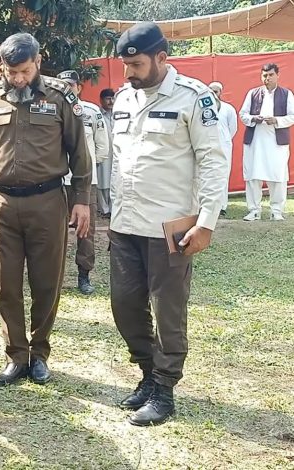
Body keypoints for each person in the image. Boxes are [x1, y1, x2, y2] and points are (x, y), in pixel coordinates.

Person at [110, 22, 228, 426]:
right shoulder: (124, 97)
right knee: (124, 306)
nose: (129, 73)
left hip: (170, 227)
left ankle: (164, 390)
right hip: (125, 223)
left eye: (137, 65)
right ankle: (147, 374)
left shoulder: (194, 97)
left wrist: (206, 222)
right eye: (125, 65)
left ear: (162, 58)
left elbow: (214, 161)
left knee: (168, 312)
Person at [0, 33, 92, 387]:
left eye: (24, 71)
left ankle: (39, 355)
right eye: (11, 72)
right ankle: (15, 355)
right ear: (2, 67)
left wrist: (82, 199)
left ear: (38, 61)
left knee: (46, 282)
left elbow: (79, 151)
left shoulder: (60, 97)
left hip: (47, 201)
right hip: (1, 204)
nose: (18, 78)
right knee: (4, 284)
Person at [57, 70, 110, 295]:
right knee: (54, 232)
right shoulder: (49, 110)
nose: (67, 89)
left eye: (71, 85)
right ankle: (55, 276)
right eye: (63, 85)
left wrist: (85, 168)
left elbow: (102, 147)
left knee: (86, 231)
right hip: (57, 182)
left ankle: (84, 275)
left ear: (79, 87)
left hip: (86, 183)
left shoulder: (91, 112)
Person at [239, 63, 294, 221]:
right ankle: (254, 210)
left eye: (270, 75)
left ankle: (276, 211)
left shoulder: (287, 94)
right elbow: (243, 114)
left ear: (277, 75)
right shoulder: (253, 93)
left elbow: (292, 116)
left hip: (277, 143)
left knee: (277, 175)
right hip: (255, 141)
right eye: (264, 75)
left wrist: (276, 120)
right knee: (253, 175)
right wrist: (253, 118)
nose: (267, 78)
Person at [208, 82, 238, 217]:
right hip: (207, 146)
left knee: (223, 175)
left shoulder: (228, 109)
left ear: (220, 92)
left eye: (216, 91)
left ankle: (222, 206)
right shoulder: (203, 108)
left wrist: (224, 140)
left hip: (224, 146)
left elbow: (233, 128)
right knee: (206, 175)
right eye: (211, 91)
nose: (213, 94)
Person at [97, 88, 116, 218]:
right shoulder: (97, 114)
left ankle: (112, 208)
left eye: (112, 98)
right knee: (102, 181)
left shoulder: (117, 114)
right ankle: (104, 209)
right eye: (108, 99)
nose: (110, 101)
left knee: (114, 181)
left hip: (116, 153)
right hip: (103, 153)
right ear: (101, 100)